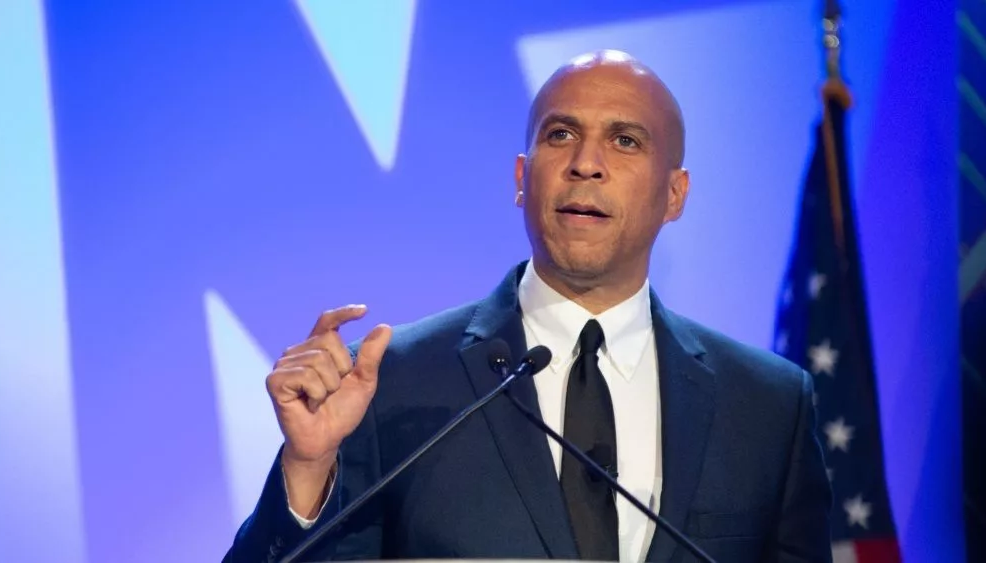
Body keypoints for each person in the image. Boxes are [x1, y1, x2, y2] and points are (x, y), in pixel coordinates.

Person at [222, 50, 833, 563]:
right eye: (560, 134)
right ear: (522, 176)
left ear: (674, 194)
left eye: (624, 140)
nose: (586, 164)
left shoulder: (767, 406)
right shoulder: (386, 384)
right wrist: (307, 470)